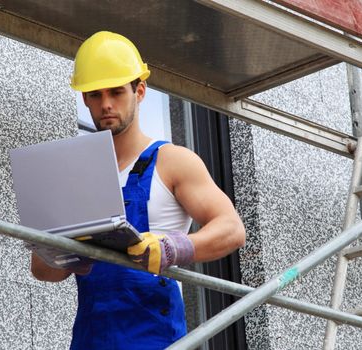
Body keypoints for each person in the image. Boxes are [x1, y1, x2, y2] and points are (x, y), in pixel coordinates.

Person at [30, 31, 246, 349]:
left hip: (155, 339)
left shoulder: (172, 161)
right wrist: (66, 251)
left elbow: (231, 229)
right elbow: (43, 272)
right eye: (94, 94)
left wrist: (173, 248)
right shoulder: (77, 175)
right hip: (91, 339)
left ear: (140, 91)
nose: (106, 105)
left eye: (116, 92)